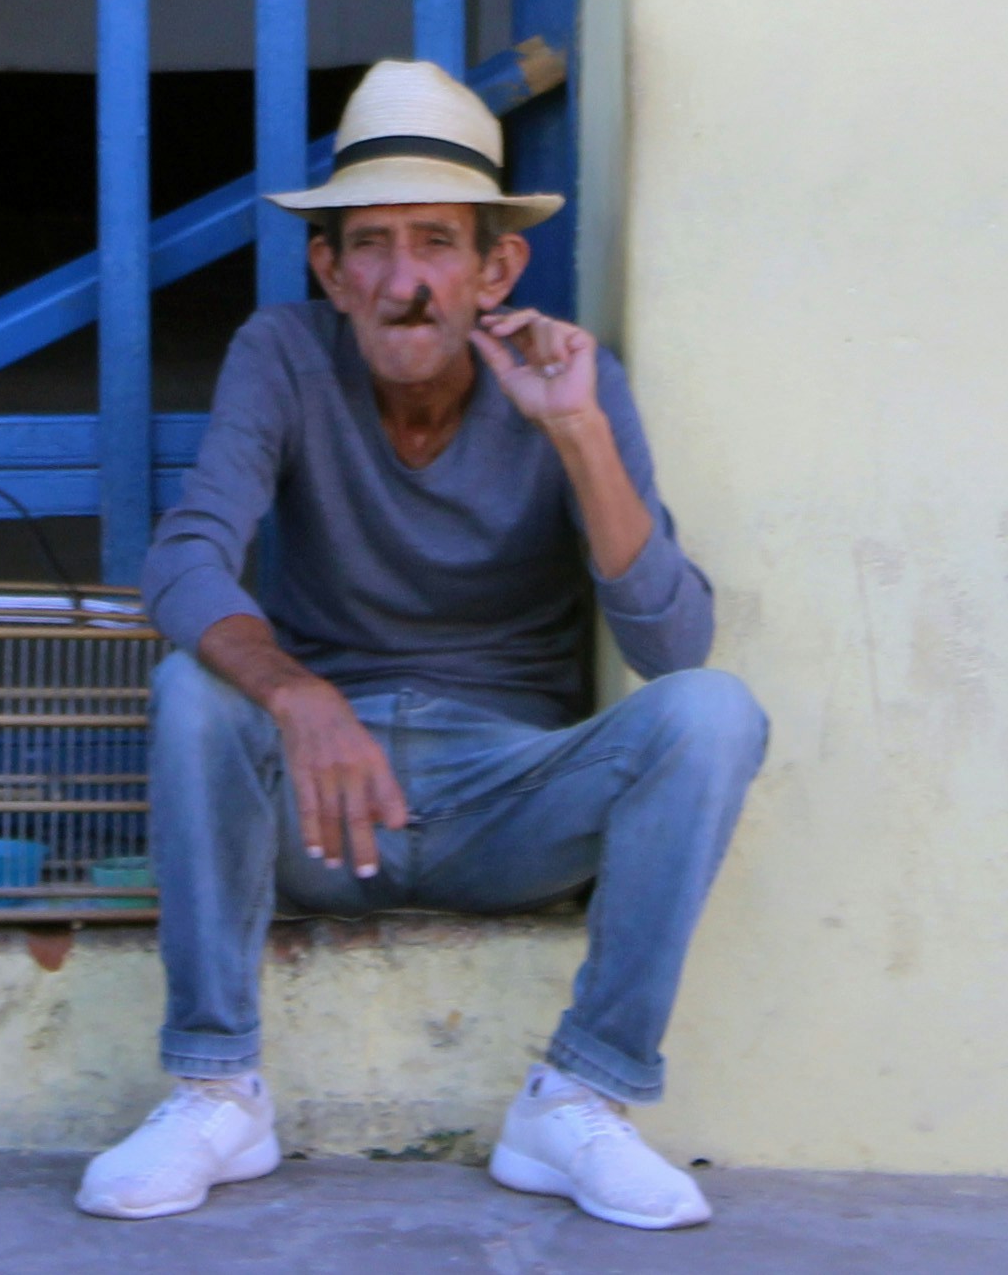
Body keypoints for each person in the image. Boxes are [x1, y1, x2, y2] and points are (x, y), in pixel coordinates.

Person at [77, 61, 768, 1231]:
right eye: (374, 247)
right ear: (329, 269)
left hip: (512, 803)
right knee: (196, 691)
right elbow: (186, 561)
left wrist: (579, 433)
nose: (406, 283)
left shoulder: (572, 383)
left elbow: (674, 643)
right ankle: (217, 1089)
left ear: (497, 266)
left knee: (716, 716)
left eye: (439, 245)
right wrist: (299, 697)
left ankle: (580, 1098)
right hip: (319, 808)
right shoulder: (284, 354)